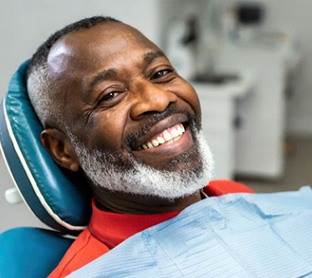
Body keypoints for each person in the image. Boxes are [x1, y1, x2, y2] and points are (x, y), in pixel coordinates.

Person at [26, 16, 253, 277]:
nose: (158, 99)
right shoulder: (92, 271)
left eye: (161, 73)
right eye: (110, 95)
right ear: (63, 149)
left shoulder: (235, 194)